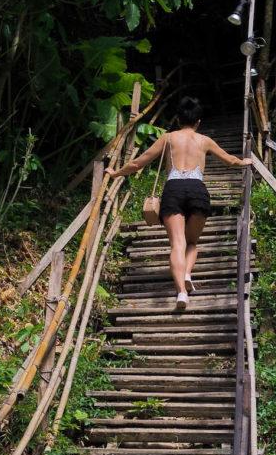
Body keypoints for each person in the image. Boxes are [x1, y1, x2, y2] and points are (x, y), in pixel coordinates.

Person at [106, 96, 251, 311]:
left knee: (177, 244)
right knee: (192, 242)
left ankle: (181, 293)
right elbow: (230, 160)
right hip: (197, 190)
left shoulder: (168, 138)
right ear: (198, 121)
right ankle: (186, 274)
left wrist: (115, 172)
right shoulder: (204, 140)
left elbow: (139, 162)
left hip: (173, 190)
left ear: (177, 119)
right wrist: (244, 161)